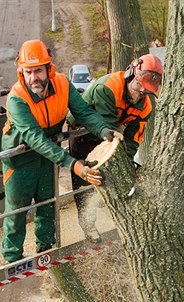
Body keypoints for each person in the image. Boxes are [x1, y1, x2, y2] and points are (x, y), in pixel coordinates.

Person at [0, 39, 121, 264]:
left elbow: (84, 112)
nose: (34, 77)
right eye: (28, 72)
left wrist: (104, 130)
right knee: (17, 210)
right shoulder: (17, 98)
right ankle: (11, 257)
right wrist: (73, 164)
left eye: (38, 70)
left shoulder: (63, 84)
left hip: (48, 156)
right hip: (20, 160)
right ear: (21, 73)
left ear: (49, 68)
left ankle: (45, 248)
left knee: (47, 204)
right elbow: (35, 138)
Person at [67, 54, 163, 243]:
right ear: (131, 74)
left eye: (145, 91)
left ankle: (111, 212)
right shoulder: (108, 88)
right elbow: (107, 126)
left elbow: (134, 137)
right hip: (82, 133)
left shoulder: (145, 107)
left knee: (111, 176)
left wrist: (127, 159)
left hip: (110, 136)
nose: (140, 94)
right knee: (84, 182)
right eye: (138, 87)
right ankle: (88, 225)